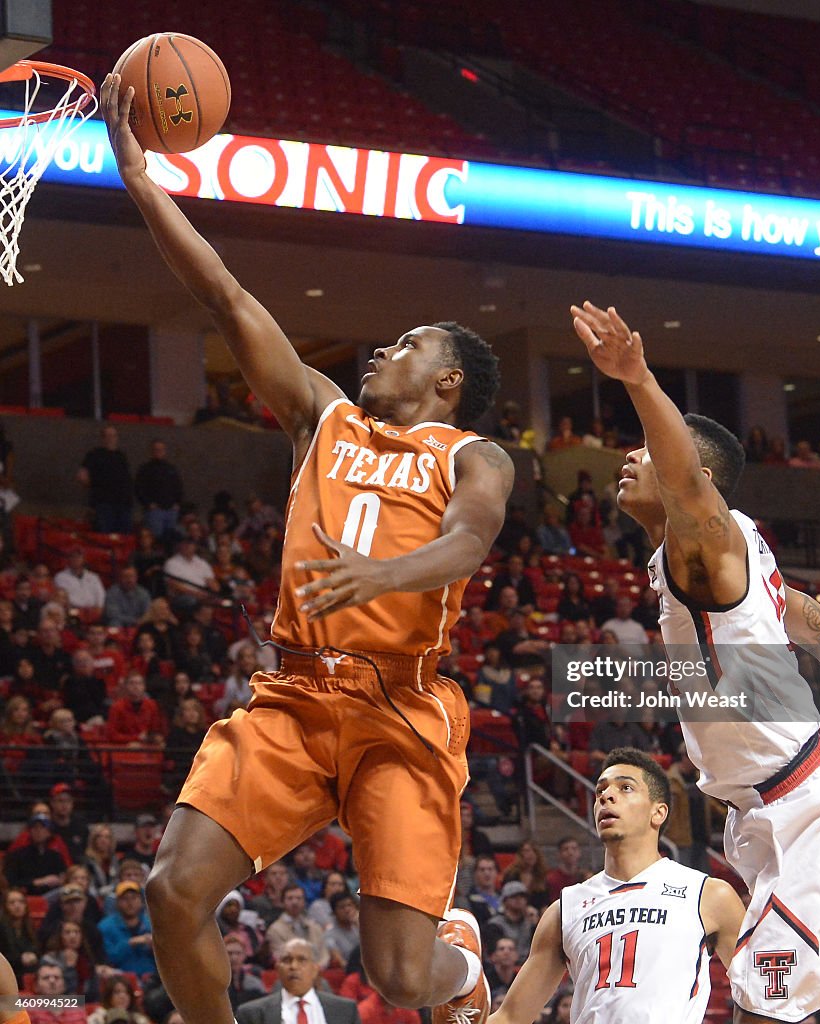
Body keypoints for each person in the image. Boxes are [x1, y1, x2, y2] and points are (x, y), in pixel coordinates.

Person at [102, 72, 511, 1024]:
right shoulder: (320, 418)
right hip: (293, 695)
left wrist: (384, 575)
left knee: (403, 982)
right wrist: (137, 177)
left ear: (447, 379)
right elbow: (224, 294)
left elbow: (469, 541)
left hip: (401, 712)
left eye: (405, 344)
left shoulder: (476, 454)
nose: (380, 353)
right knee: (172, 891)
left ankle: (467, 967)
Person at [572, 299, 820, 1023]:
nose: (627, 459)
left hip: (804, 799)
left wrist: (636, 378)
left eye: (645, 449)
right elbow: (809, 616)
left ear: (688, 470)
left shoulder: (706, 540)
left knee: (762, 996)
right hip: (761, 806)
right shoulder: (737, 551)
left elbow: (689, 485)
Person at [487, 748, 746, 1024]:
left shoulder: (708, 895)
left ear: (657, 813)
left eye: (625, 788)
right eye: (600, 790)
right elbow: (510, 1017)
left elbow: (762, 996)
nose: (606, 796)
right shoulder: (565, 908)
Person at [236, 938, 361, 1024]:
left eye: (301, 960)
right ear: (277, 969)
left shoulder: (346, 1010)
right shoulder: (252, 1014)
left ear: (315, 969)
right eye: (287, 960)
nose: (293, 966)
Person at [77, 425, 134, 535]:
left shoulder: (121, 456)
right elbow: (82, 475)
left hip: (123, 504)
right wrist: (96, 490)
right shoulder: (94, 454)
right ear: (103, 438)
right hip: (103, 504)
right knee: (104, 536)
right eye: (108, 436)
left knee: (123, 537)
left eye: (113, 436)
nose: (111, 438)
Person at [97, 882, 155, 978]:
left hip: (151, 978)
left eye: (134, 898)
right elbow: (107, 958)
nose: (130, 903)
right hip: (120, 980)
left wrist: (154, 949)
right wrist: (130, 943)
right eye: (125, 899)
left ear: (141, 901)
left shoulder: (152, 925)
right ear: (117, 902)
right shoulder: (105, 927)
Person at [134, 440, 184, 541]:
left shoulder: (171, 468)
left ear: (165, 451)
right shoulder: (145, 469)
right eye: (156, 449)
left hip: (171, 510)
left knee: (171, 539)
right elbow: (138, 488)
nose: (158, 451)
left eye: (161, 449)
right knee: (156, 539)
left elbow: (178, 487)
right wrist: (148, 504)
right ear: (151, 451)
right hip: (155, 511)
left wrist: (177, 503)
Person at [20, 961, 87, 1024]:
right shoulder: (26, 1011)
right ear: (36, 986)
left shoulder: (78, 1011)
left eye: (57, 977)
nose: (52, 981)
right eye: (46, 978)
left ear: (64, 984)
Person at [54, 549, 106, 617]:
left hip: (93, 610)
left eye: (78, 557)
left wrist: (99, 607)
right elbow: (62, 597)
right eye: (73, 557)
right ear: (68, 559)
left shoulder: (94, 577)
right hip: (72, 610)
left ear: (83, 560)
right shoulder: (60, 577)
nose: (76, 559)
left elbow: (101, 595)